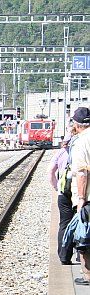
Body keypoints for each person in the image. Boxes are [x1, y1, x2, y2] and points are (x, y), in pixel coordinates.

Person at [69, 107, 90, 284]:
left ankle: (88, 275)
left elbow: (82, 172)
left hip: (88, 197)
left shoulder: (81, 142)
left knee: (84, 236)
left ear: (77, 124)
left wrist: (81, 199)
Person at [50, 125, 75, 264]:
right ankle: (81, 254)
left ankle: (64, 256)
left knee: (64, 223)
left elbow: (50, 172)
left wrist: (56, 186)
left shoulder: (61, 153)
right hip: (80, 192)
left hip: (63, 192)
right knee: (81, 221)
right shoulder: (82, 149)